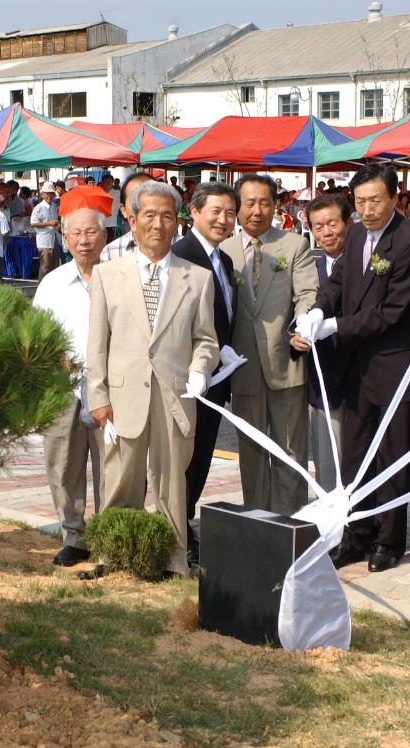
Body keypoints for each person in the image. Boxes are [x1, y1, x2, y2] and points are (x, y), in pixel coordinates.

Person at [295, 164, 410, 572]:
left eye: (375, 200)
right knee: (353, 458)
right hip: (356, 369)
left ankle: (389, 541)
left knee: (392, 457)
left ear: (394, 197)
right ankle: (356, 534)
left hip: (395, 367)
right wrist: (318, 310)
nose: (368, 209)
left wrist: (337, 325)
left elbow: (391, 312)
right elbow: (338, 283)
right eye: (361, 202)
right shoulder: (354, 236)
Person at [86, 181, 219, 577]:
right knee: (119, 479)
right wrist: (97, 397)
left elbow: (207, 340)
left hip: (175, 396)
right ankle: (111, 553)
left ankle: (175, 559)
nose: (157, 224)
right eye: (149, 215)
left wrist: (200, 370)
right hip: (122, 398)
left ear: (177, 222)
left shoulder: (197, 278)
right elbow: (97, 345)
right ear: (132, 218)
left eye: (166, 216)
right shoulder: (108, 275)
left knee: (171, 483)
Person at [220, 174, 318, 516]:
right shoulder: (223, 251)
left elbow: (307, 294)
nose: (257, 210)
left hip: (286, 364)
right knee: (251, 453)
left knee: (290, 450)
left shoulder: (294, 246)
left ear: (276, 205)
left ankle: (290, 523)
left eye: (264, 202)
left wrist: (302, 324)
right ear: (237, 207)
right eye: (249, 203)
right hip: (242, 367)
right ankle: (258, 522)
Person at [32, 198, 111, 567]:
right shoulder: (52, 283)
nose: (84, 240)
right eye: (76, 233)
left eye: (90, 232)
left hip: (110, 386)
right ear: (63, 239)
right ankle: (74, 536)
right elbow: (35, 334)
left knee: (113, 464)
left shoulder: (118, 276)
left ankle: (110, 536)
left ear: (104, 235)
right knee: (63, 463)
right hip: (64, 386)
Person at [172, 182, 239, 568]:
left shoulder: (223, 259)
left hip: (218, 377)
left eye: (230, 213)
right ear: (194, 212)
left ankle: (185, 520)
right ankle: (179, 528)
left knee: (201, 459)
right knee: (185, 457)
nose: (223, 219)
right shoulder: (182, 255)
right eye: (215, 211)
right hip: (190, 378)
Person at [298, 193, 350, 493]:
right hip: (321, 384)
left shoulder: (367, 263)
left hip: (360, 380)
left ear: (348, 221)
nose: (327, 232)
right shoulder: (308, 268)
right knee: (326, 462)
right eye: (319, 227)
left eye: (333, 223)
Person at [101, 172, 157, 261]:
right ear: (124, 210)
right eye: (135, 199)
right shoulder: (109, 253)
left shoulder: (178, 245)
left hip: (111, 223)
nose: (143, 205)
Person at [30, 183, 60, 279]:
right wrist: (49, 224)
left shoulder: (54, 206)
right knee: (45, 267)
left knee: (55, 267)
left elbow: (55, 221)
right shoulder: (38, 208)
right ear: (43, 194)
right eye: (47, 193)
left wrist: (57, 225)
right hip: (44, 241)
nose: (49, 196)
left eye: (51, 194)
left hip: (54, 238)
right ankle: (40, 289)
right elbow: (33, 223)